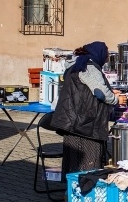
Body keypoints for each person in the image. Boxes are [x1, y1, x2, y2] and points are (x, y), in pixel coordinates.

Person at [51, 42, 121, 175]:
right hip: (86, 125)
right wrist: (116, 99)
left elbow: (85, 89)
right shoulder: (89, 68)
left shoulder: (77, 65)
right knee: (90, 163)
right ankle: (88, 192)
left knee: (73, 163)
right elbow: (100, 92)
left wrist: (111, 91)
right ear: (98, 54)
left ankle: (71, 193)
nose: (106, 60)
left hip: (73, 123)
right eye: (106, 56)